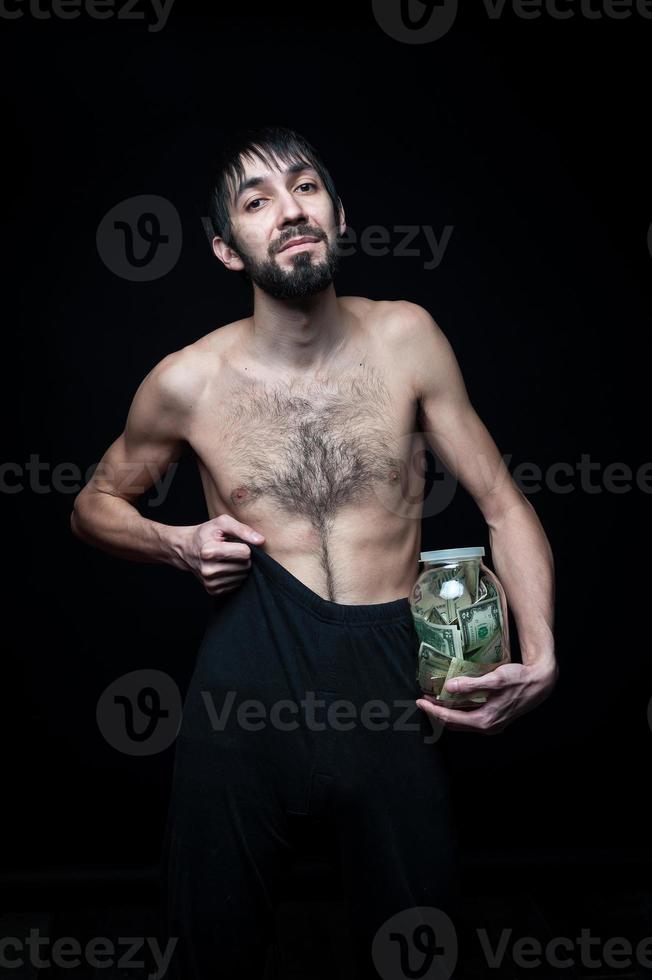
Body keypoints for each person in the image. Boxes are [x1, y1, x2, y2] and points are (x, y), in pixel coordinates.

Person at [70, 124, 558, 979]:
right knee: (209, 954)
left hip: (395, 682)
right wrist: (177, 544)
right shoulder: (188, 380)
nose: (289, 211)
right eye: (256, 202)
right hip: (246, 685)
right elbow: (92, 505)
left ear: (339, 213)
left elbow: (503, 508)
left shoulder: (407, 338)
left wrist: (543, 651)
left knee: (421, 949)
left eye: (305, 188)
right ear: (228, 248)